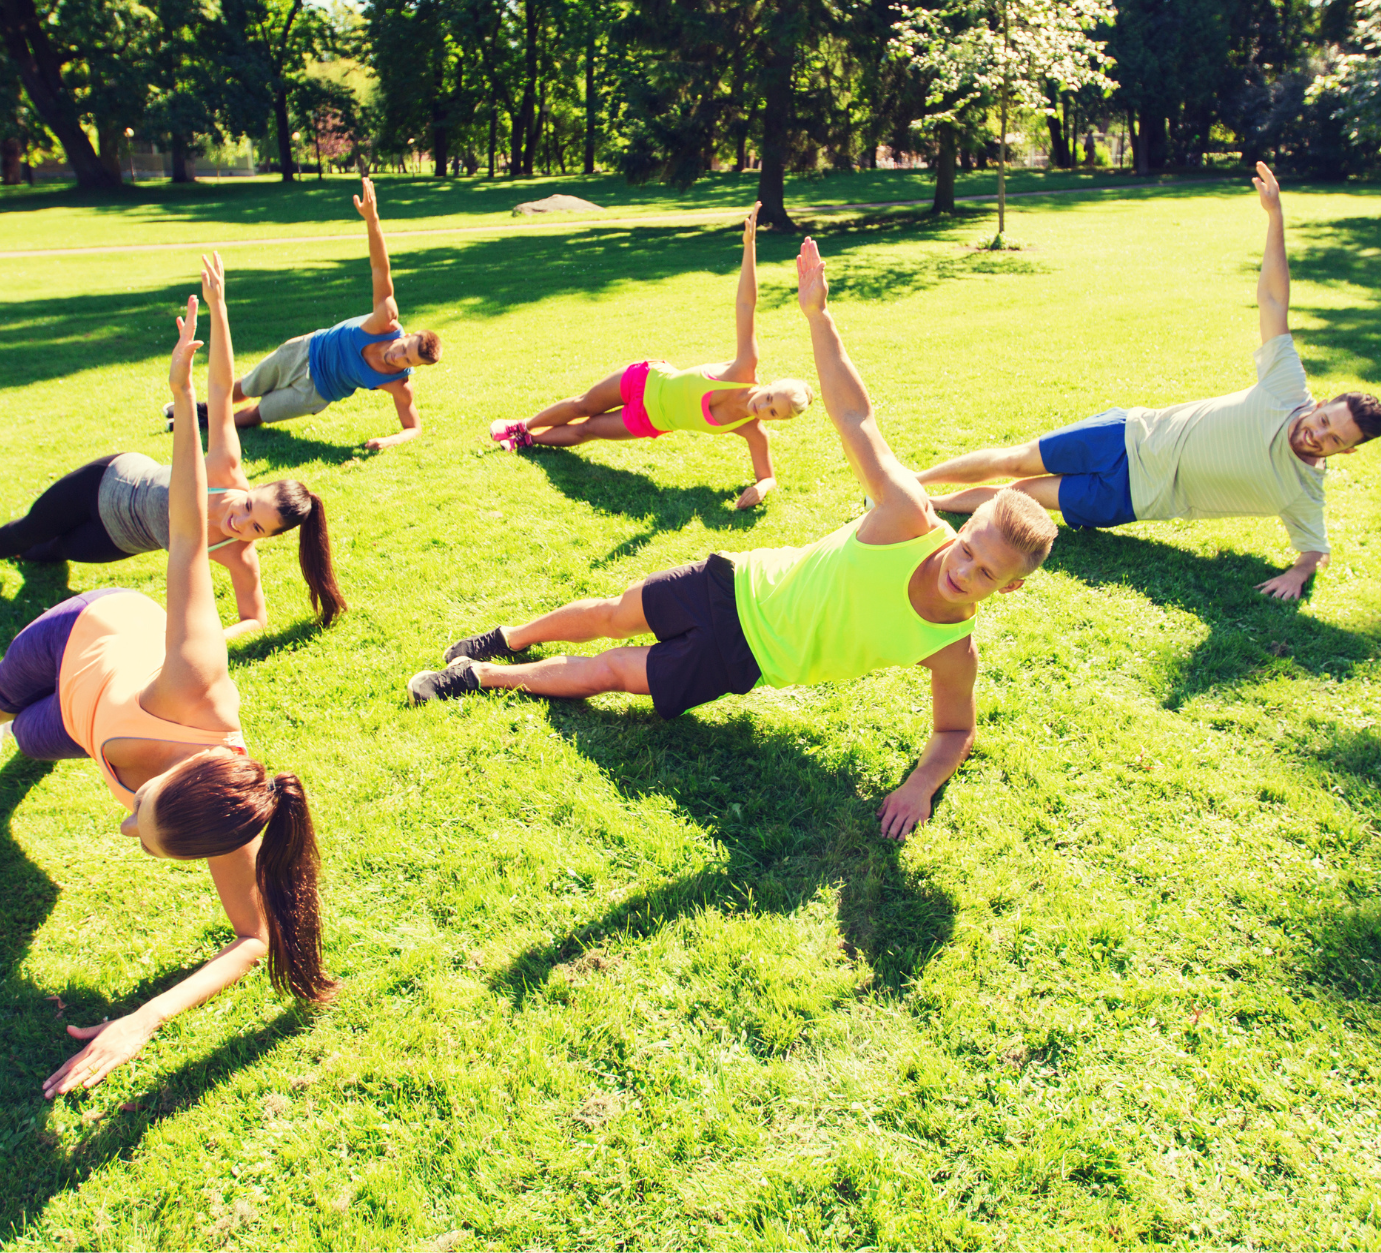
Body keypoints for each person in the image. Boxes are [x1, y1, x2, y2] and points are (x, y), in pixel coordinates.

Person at [416, 236, 1058, 839]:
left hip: (743, 659)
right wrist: (817, 317)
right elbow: (855, 416)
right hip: (733, 582)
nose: (963, 569)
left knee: (613, 671)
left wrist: (921, 785)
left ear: (1012, 586)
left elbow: (954, 729)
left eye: (985, 574)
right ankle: (508, 637)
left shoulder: (952, 647)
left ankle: (482, 675)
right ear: (963, 523)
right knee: (613, 613)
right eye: (968, 547)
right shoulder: (907, 516)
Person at [0, 289, 337, 1097]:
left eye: (140, 833)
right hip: (79, 637)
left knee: (33, 738)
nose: (123, 820)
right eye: (146, 815)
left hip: (81, 721)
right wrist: (180, 396)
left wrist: (146, 1019)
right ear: (186, 770)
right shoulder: (196, 690)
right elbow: (181, 547)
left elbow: (253, 938)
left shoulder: (229, 821)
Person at [917, 161, 1381, 600]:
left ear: (1345, 452)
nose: (1318, 433)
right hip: (1127, 432)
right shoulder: (1287, 390)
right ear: (1322, 403)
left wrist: (1299, 572)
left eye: (1333, 439)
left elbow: (1313, 549)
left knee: (1017, 498)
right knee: (1016, 460)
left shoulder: (1303, 489)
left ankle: (929, 502)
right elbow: (1272, 300)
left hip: (1133, 495)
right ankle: (908, 483)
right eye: (1326, 419)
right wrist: (1274, 216)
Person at [0, 256, 345, 635]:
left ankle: (23, 555)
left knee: (55, 551)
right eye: (250, 506)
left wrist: (215, 639)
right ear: (253, 489)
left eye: (256, 528)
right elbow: (218, 385)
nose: (238, 520)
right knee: (30, 528)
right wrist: (220, 309)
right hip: (109, 482)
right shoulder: (225, 467)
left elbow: (255, 618)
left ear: (265, 539)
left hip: (119, 536)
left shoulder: (237, 555)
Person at [488, 203, 812, 509]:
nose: (763, 406)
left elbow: (767, 476)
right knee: (583, 404)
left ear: (778, 421)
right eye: (770, 397)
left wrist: (762, 488)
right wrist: (749, 246)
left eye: (772, 412)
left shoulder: (750, 429)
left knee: (587, 430)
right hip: (645, 380)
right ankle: (521, 426)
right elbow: (746, 306)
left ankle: (528, 441)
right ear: (769, 384)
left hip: (649, 420)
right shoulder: (744, 369)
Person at [209, 176, 441, 451]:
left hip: (317, 392)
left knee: (263, 412)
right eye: (403, 349)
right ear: (408, 335)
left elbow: (414, 427)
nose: (397, 357)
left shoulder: (398, 383)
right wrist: (372, 219)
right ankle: (204, 409)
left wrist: (390, 441)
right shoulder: (385, 320)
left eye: (406, 361)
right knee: (248, 386)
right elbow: (380, 269)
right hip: (306, 350)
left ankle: (212, 426)